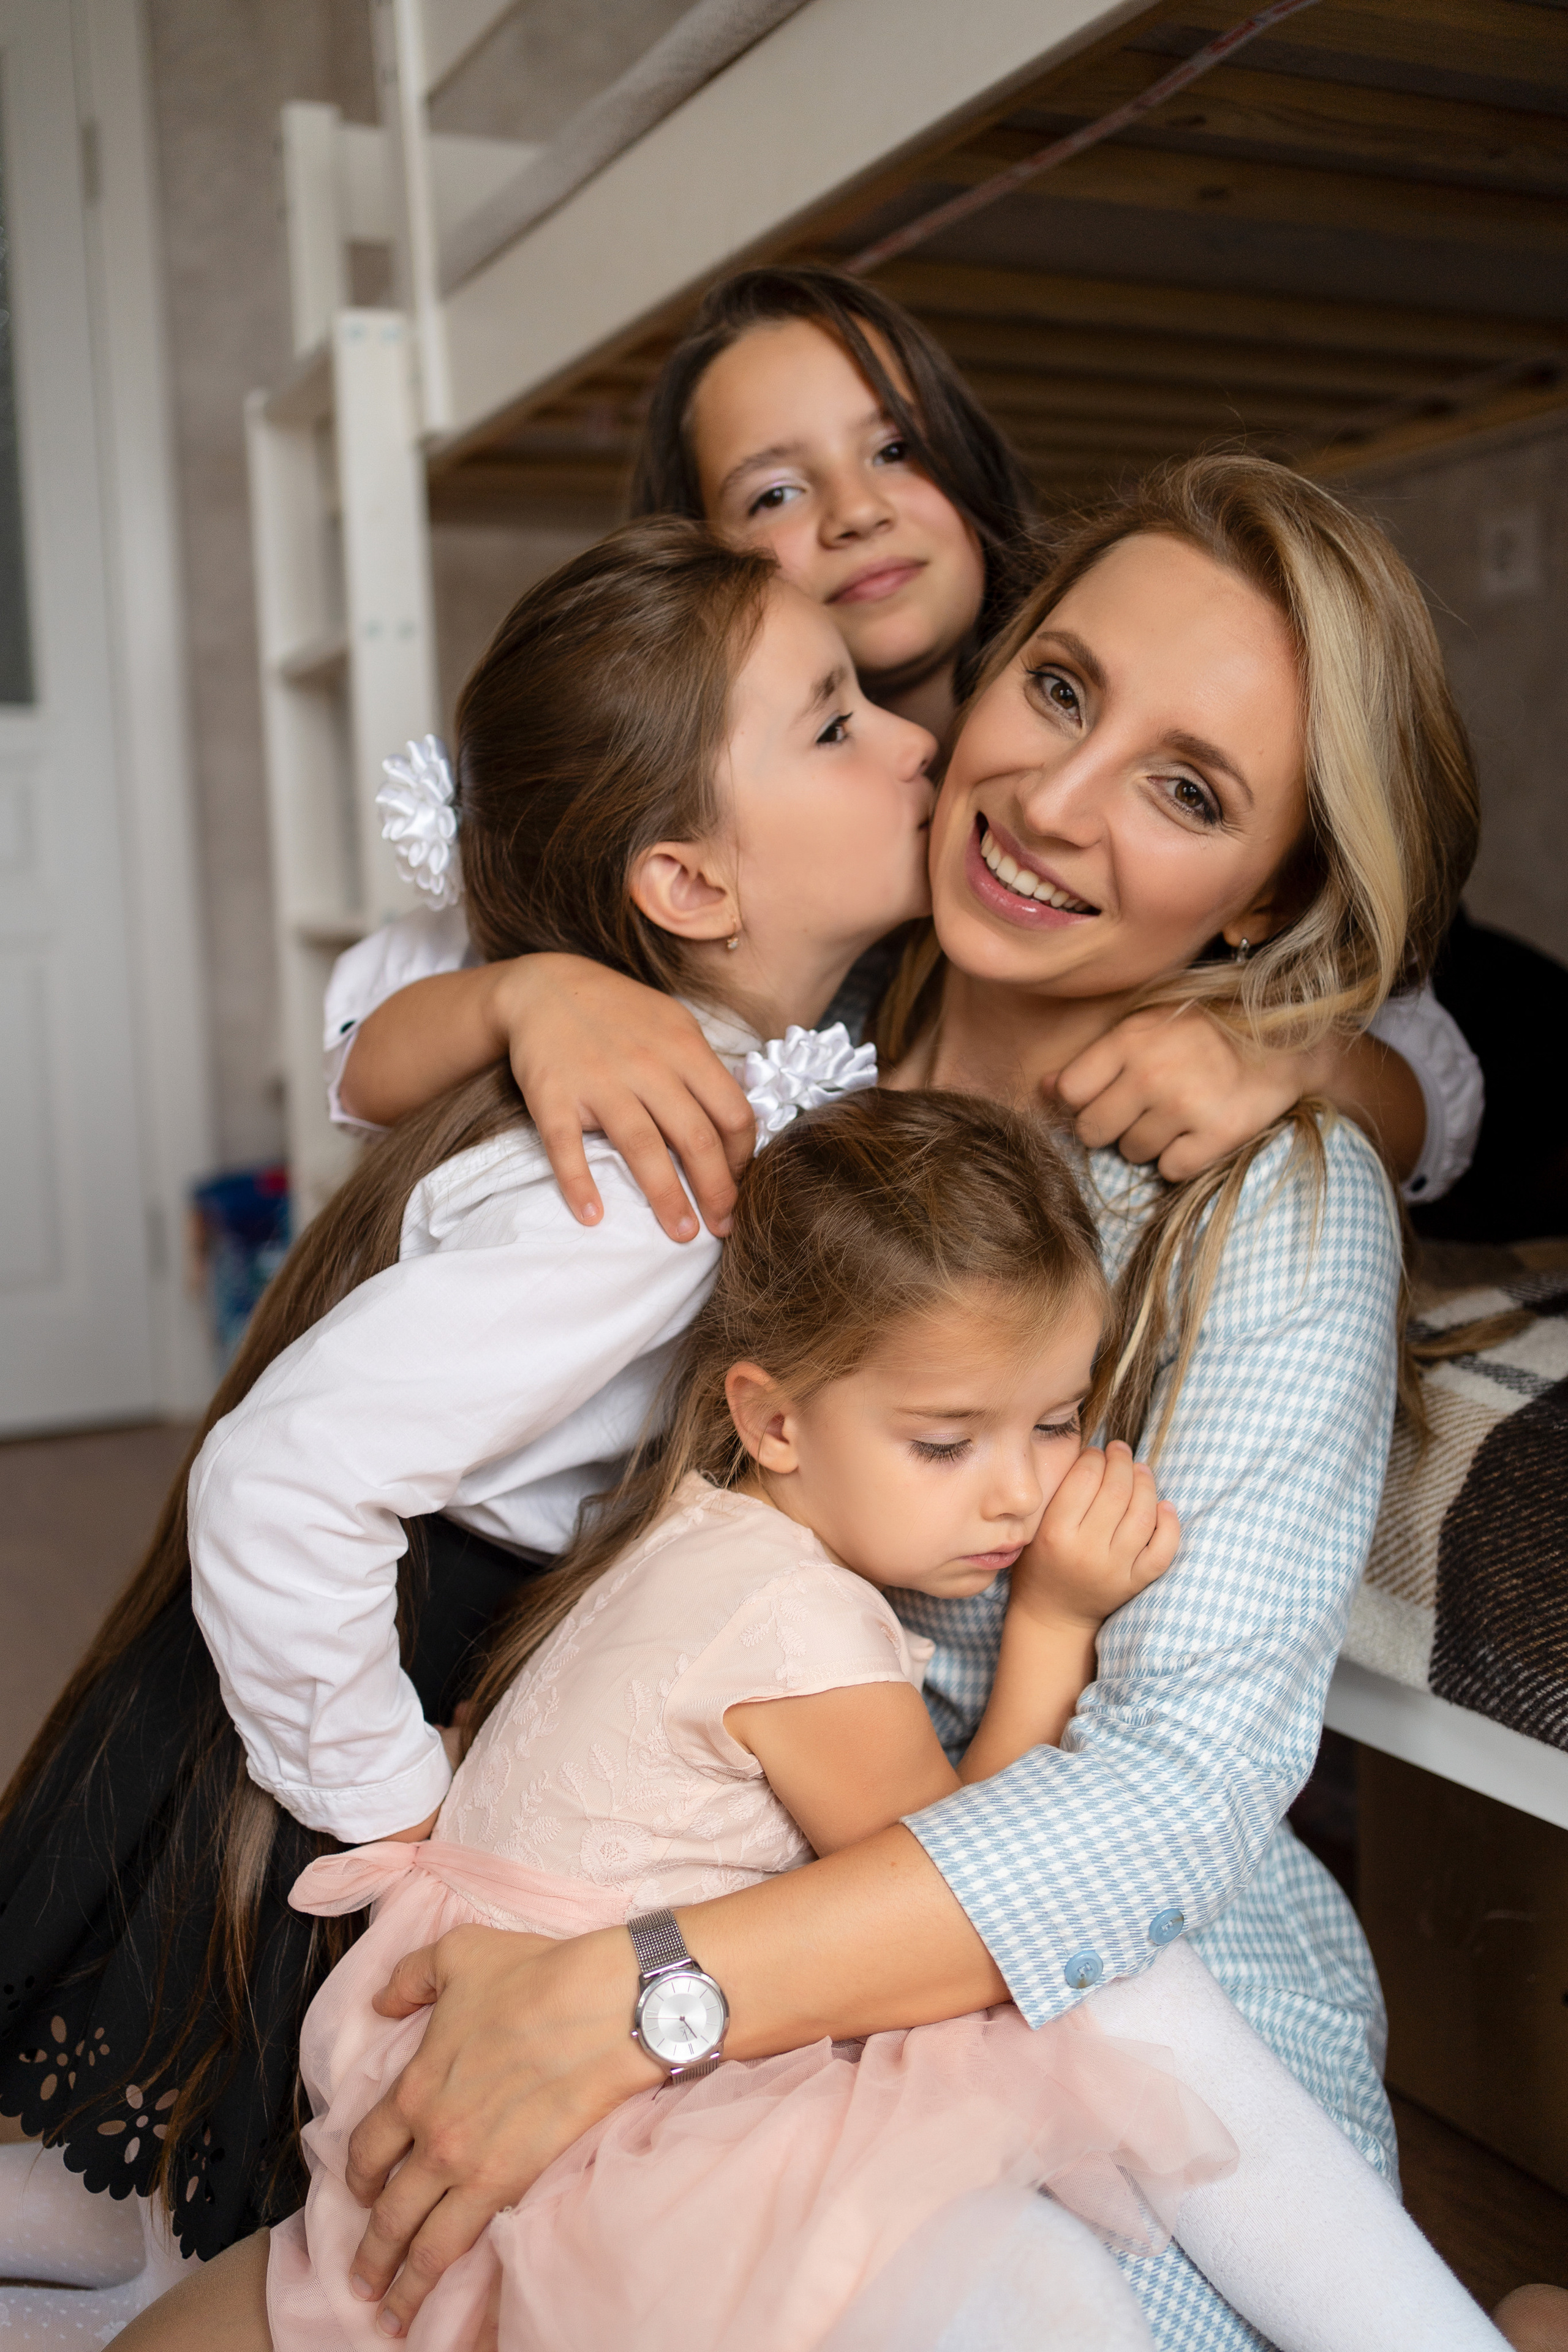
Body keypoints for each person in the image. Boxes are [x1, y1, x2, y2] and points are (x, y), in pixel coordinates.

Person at [283, 456, 1506, 2352]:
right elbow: (406, 1033)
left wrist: (644, 1995)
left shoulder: (1272, 1199)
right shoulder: (798, 996)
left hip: (1087, 1970)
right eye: (1063, 691)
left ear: (1274, 887)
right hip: (722, 1846)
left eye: (1189, 792)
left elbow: (1169, 1794)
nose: (1056, 803)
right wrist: (532, 994)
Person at [123, 1094, 1504, 2352]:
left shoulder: (692, 1537)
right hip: (602, 2119)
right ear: (772, 1420)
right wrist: (1052, 1626)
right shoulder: (797, 1626)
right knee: (1082, 2073)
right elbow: (970, 1892)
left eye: (1057, 1423)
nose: (1017, 1497)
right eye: (947, 1441)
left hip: (462, 2027)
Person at [0, 519, 933, 2288]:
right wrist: (394, 1807)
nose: (913, 737)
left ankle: (108, 2209)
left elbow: (372, 1008)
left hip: (387, 1612)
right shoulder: (660, 1191)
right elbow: (279, 1482)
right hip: (371, 1651)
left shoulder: (645, 1047)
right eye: (837, 721)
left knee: (184, 2103)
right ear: (686, 886)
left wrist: (519, 983)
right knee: (243, 2075)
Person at [328, 265, 1480, 1238]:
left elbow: (1430, 1064)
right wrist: (534, 999)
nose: (852, 512)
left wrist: (1297, 1064)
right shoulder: (673, 799)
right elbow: (368, 1034)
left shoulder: (1128, 708)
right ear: (702, 570)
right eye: (775, 490)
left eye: (895, 450)